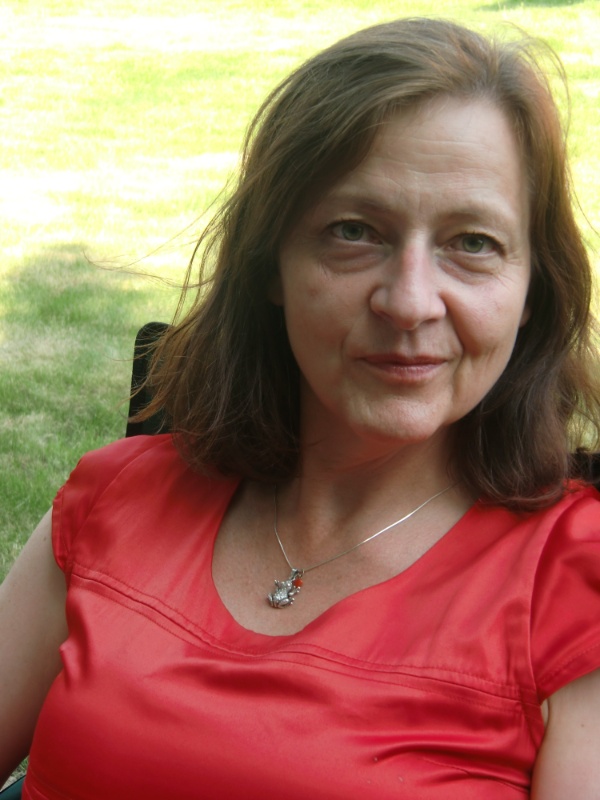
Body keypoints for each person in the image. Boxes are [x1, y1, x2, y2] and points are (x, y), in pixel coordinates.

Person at [1, 16, 600, 799]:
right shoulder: (112, 498)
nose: (410, 302)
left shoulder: (574, 582)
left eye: (473, 242)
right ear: (270, 266)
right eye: (355, 232)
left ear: (532, 292)